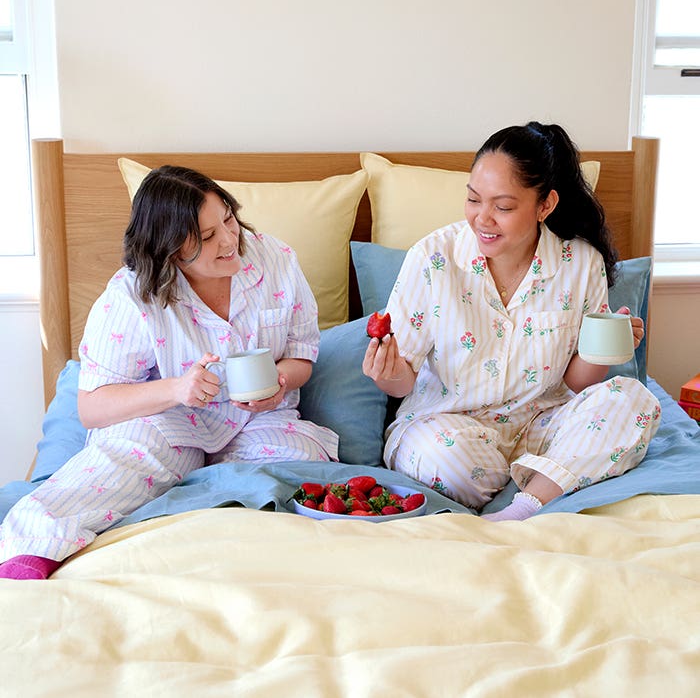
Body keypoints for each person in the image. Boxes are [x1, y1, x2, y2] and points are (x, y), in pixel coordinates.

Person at [0, 165, 338, 580]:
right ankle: (26, 551)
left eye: (229, 219)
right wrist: (177, 390)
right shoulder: (131, 295)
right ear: (170, 248)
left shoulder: (277, 260)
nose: (229, 240)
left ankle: (231, 552)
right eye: (208, 236)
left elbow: (302, 355)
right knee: (113, 467)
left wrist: (279, 382)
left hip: (260, 420)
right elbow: (92, 407)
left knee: (300, 470)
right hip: (169, 421)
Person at [362, 122, 661, 521]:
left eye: (502, 207)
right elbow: (402, 382)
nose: (482, 219)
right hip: (451, 427)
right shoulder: (433, 257)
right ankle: (551, 481)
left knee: (633, 400)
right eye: (473, 199)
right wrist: (386, 372)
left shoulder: (580, 263)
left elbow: (576, 384)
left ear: (545, 205)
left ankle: (522, 506)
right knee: (440, 456)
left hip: (542, 424)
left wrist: (602, 347)